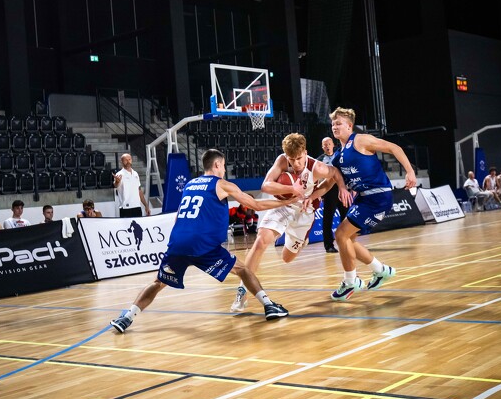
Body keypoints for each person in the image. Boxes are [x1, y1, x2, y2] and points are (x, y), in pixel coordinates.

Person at [109, 149, 295, 333]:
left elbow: (178, 217)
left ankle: (127, 317)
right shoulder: (221, 184)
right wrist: (286, 202)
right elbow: (256, 205)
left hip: (178, 242)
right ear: (217, 164)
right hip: (203, 244)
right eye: (223, 165)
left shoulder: (190, 185)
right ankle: (269, 306)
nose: (224, 170)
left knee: (158, 282)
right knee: (243, 270)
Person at [230, 133, 338, 313]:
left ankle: (302, 241)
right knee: (260, 242)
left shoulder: (316, 166)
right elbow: (266, 186)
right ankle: (243, 291)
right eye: (291, 160)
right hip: (283, 205)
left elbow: (333, 175)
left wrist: (313, 195)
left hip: (304, 212)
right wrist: (291, 188)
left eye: (299, 158)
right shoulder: (282, 161)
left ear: (305, 152)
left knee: (287, 259)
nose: (296, 163)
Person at [329, 107, 417, 301]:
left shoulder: (360, 140)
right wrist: (309, 196)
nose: (334, 127)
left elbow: (394, 148)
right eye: (333, 124)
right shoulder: (337, 156)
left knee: (341, 234)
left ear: (349, 126)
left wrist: (410, 171)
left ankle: (350, 282)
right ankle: (381, 270)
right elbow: (331, 180)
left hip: (377, 196)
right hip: (363, 198)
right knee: (348, 240)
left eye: (338, 123)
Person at [317, 136, 347, 253]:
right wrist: (319, 192)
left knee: (346, 217)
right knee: (328, 218)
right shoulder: (319, 160)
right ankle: (329, 245)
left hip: (342, 188)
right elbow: (317, 178)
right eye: (325, 144)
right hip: (329, 190)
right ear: (322, 147)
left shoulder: (340, 155)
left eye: (329, 144)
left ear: (333, 145)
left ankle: (347, 242)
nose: (327, 146)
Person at [113, 153, 151, 217]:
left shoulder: (135, 174)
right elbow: (116, 185)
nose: (128, 161)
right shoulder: (119, 174)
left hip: (137, 206)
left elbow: (139, 191)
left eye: (129, 159)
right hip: (125, 208)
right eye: (125, 160)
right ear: (121, 162)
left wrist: (146, 205)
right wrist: (117, 182)